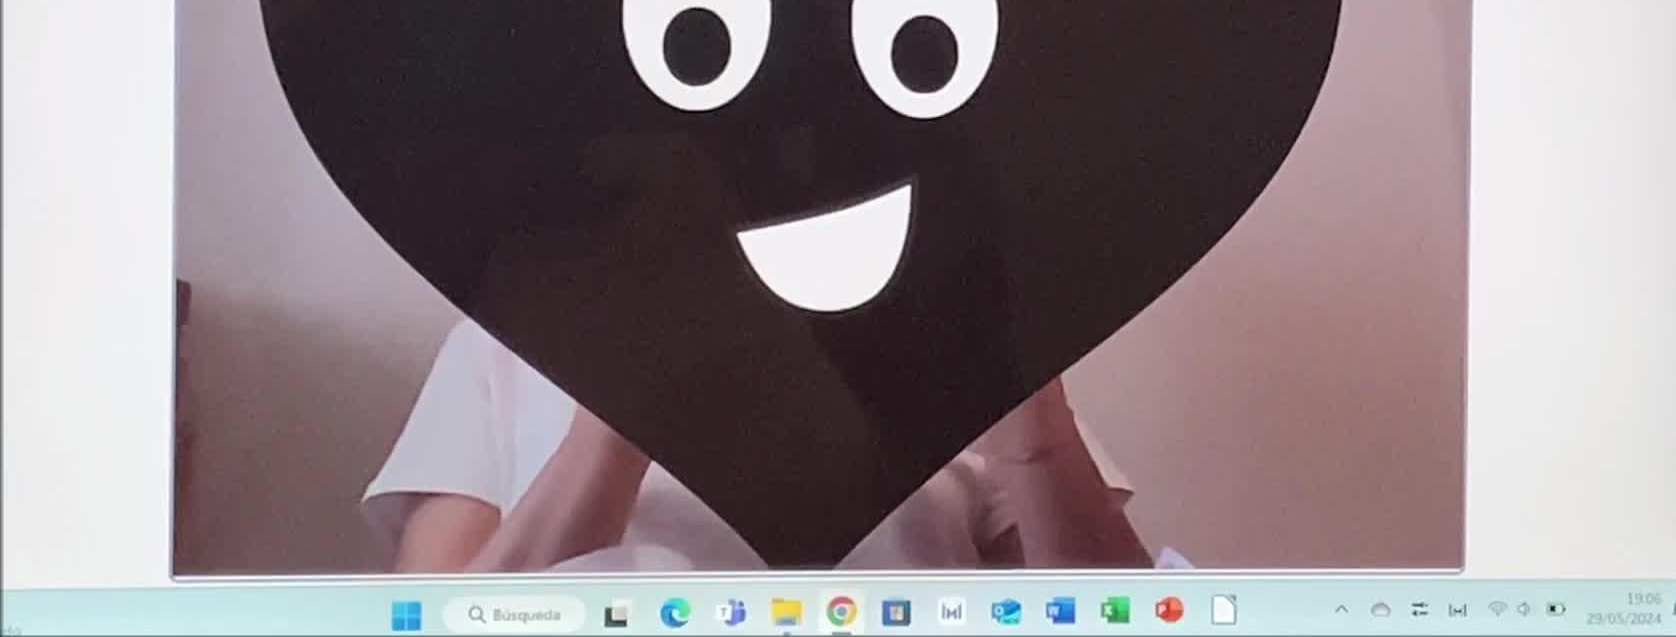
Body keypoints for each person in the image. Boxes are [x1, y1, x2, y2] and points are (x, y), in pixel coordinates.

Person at [364, 319, 1149, 572]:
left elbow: (1122, 617)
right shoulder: (501, 344)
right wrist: (607, 439)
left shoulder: (949, 335)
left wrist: (1040, 440)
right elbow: (431, 622)